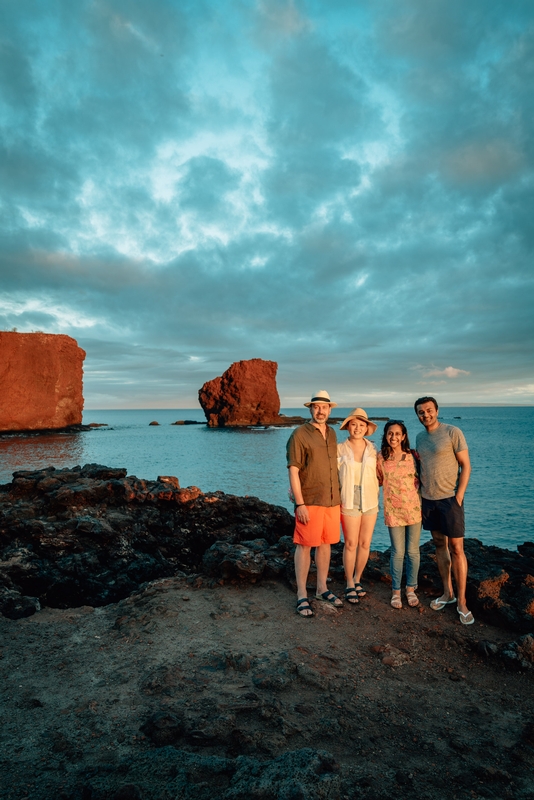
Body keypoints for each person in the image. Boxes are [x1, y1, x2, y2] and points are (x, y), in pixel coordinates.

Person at [414, 396, 474, 625]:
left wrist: (459, 495)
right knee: (440, 545)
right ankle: (447, 593)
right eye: (421, 412)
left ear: (437, 410)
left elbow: (466, 465)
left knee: (457, 548)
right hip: (428, 501)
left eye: (429, 410)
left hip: (450, 499)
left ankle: (462, 601)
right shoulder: (420, 438)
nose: (425, 415)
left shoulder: (452, 432)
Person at [286, 390, 342, 617]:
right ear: (310, 409)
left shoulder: (332, 434)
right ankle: (301, 594)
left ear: (330, 410)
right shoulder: (299, 434)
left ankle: (322, 588)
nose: (321, 411)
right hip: (309, 500)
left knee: (326, 543)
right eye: (316, 407)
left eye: (324, 407)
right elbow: (293, 470)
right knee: (304, 545)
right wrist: (300, 504)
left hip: (332, 500)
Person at [376, 420, 422, 609]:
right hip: (393, 511)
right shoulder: (381, 458)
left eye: (397, 434)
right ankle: (396, 591)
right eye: (390, 433)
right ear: (386, 436)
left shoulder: (413, 456)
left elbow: (422, 480)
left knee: (412, 552)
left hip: (414, 509)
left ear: (403, 436)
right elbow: (377, 480)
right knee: (397, 552)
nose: (393, 437)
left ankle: (410, 589)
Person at [337, 408, 379, 604]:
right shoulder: (339, 449)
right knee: (351, 543)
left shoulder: (373, 449)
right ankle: (348, 583)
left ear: (366, 428)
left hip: (370, 499)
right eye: (354, 424)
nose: (358, 428)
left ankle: (358, 579)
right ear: (348, 427)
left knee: (365, 543)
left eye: (362, 425)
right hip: (348, 497)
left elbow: (382, 474)